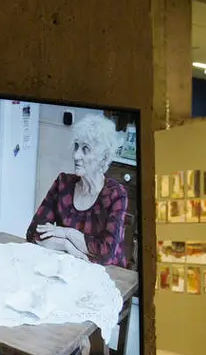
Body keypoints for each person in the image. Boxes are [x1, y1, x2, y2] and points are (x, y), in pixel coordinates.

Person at [26, 114, 130, 268]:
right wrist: (66, 245)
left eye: (85, 149)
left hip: (108, 275)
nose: (76, 155)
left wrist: (66, 233)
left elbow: (106, 253)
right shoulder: (63, 184)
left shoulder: (115, 195)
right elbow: (33, 232)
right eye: (76, 146)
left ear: (104, 157)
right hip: (68, 268)